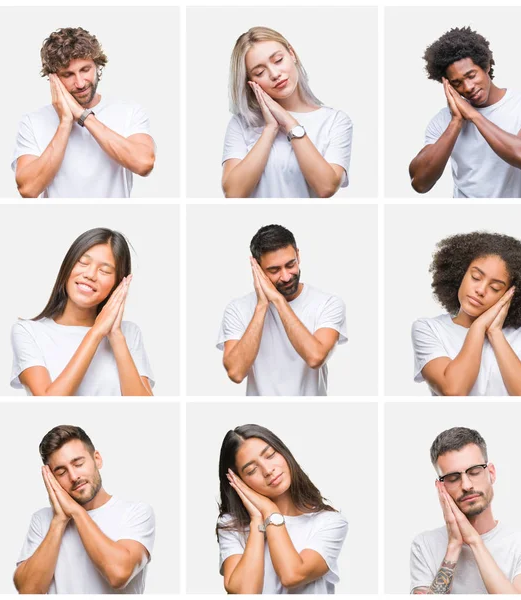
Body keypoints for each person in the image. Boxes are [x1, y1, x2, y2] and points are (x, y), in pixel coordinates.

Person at [12, 27, 155, 198]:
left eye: (85, 70)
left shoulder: (129, 111)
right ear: (53, 78)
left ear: (97, 65)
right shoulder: (33, 122)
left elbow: (144, 164)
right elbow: (28, 189)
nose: (80, 83)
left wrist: (83, 116)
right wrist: (65, 122)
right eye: (68, 74)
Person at [409, 26, 521, 198]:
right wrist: (456, 122)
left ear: (487, 65)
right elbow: (420, 183)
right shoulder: (443, 120)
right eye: (457, 83)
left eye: (471, 75)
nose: (467, 87)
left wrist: (474, 115)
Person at [10, 227, 154, 396]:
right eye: (83, 263)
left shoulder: (129, 333)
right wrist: (96, 333)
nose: (90, 275)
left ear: (117, 284)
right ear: (68, 265)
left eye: (105, 271)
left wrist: (115, 335)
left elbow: (143, 408)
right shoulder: (29, 332)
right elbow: (49, 403)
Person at [14, 425, 155, 594]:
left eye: (78, 463)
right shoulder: (43, 520)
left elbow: (119, 574)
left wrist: (76, 511)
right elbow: (28, 591)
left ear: (97, 459)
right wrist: (59, 521)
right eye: (61, 472)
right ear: (51, 478)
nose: (74, 477)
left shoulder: (136, 513)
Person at [410, 427, 521, 594]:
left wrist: (475, 541)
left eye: (474, 472)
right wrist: (454, 546)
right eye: (453, 478)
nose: (467, 485)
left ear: (491, 473)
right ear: (441, 487)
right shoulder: (424, 545)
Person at [411, 232, 521, 396]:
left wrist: (494, 332)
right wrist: (478, 327)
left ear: (510, 296)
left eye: (495, 288)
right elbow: (454, 391)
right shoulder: (429, 329)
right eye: (476, 277)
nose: (481, 290)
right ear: (461, 273)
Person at [222, 26, 353, 198]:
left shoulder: (335, 121)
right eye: (260, 72)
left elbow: (326, 187)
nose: (275, 74)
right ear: (250, 82)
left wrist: (289, 123)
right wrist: (270, 129)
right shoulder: (241, 124)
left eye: (278, 60)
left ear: (292, 54)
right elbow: (234, 193)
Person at [217, 424, 348, 594]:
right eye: (252, 470)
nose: (268, 470)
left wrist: (271, 511)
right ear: (239, 481)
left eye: (270, 455)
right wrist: (257, 518)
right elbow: (245, 593)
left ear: (284, 452)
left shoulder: (329, 522)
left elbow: (292, 575)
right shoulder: (231, 525)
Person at [217, 224, 347, 396]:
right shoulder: (237, 309)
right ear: (257, 269)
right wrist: (262, 305)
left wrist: (278, 300)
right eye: (274, 270)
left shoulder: (328, 303)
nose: (286, 277)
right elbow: (236, 372)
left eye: (290, 265)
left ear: (298, 256)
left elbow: (315, 357)